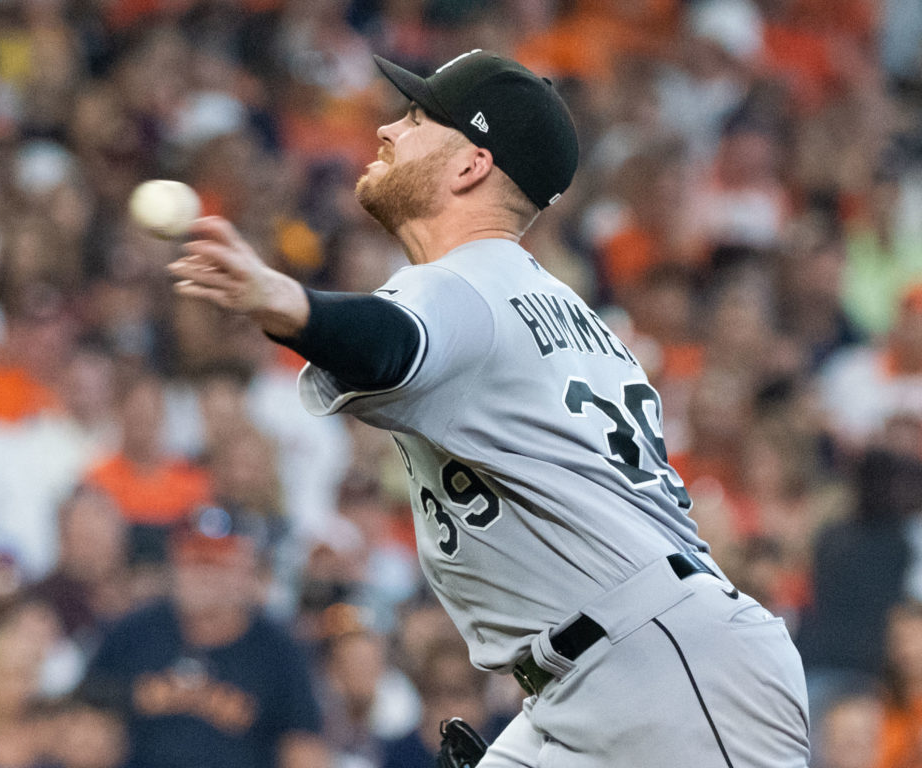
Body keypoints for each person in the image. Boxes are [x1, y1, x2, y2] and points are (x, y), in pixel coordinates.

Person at [168, 49, 810, 767]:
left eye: (415, 118)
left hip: (661, 672)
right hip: (614, 670)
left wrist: (281, 301)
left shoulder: (469, 284)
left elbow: (390, 343)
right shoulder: (554, 302)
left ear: (471, 164)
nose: (385, 128)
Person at [79, 504, 330, 768]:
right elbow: (83, 728)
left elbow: (304, 749)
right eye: (194, 558)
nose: (205, 574)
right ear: (174, 563)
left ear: (246, 571)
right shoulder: (130, 634)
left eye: (219, 561)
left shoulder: (279, 650)